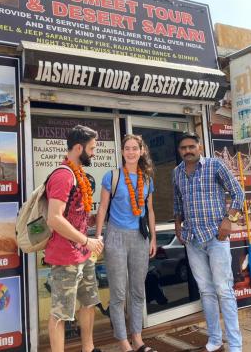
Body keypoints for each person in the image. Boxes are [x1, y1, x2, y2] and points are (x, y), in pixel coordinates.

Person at [173, 132, 244, 352]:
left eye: (191, 146)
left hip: (216, 237)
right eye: (183, 148)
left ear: (200, 148)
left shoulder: (215, 165)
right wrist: (178, 226)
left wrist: (228, 220)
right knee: (206, 291)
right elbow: (177, 203)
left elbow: (238, 193)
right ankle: (214, 340)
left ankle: (235, 345)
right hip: (193, 239)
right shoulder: (176, 173)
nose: (188, 151)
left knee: (224, 290)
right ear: (180, 151)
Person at [96, 134, 157, 352]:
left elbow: (149, 210)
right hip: (116, 236)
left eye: (135, 148)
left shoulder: (147, 179)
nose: (131, 152)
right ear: (122, 152)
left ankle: (137, 338)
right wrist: (99, 236)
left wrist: (153, 238)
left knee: (138, 290)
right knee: (119, 293)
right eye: (127, 148)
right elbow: (102, 208)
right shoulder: (112, 176)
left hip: (140, 238)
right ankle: (123, 342)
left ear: (141, 151)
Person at [46, 125, 104, 352]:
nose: (94, 153)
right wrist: (86, 241)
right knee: (60, 314)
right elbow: (54, 218)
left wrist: (91, 224)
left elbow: (72, 215)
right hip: (65, 257)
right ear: (78, 147)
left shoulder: (78, 174)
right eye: (91, 148)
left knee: (89, 303)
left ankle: (88, 349)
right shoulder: (63, 175)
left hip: (84, 255)